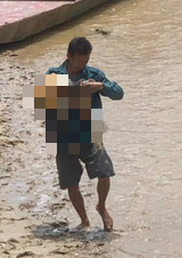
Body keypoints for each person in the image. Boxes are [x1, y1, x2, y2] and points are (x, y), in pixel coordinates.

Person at [45, 37, 123, 232]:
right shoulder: (53, 74)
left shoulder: (94, 74)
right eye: (79, 61)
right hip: (62, 134)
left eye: (86, 61)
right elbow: (40, 105)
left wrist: (99, 86)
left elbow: (119, 93)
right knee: (71, 181)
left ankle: (101, 206)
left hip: (91, 130)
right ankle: (84, 219)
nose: (83, 65)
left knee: (105, 172)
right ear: (68, 56)